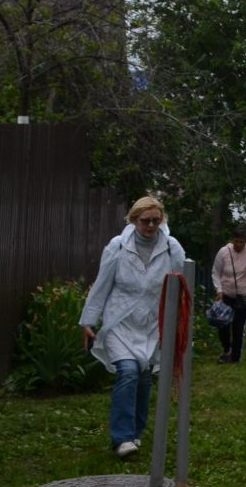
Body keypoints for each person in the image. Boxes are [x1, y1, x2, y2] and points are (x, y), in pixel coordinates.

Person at [79, 195, 189, 458]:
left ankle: (136, 432)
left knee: (143, 375)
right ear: (133, 220)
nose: (151, 226)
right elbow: (102, 283)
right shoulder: (117, 247)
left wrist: (179, 325)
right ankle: (122, 437)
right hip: (121, 321)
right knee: (128, 370)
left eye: (156, 220)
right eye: (145, 221)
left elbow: (182, 287)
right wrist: (88, 321)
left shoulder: (172, 248)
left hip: (151, 323)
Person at [211, 225, 246, 364]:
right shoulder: (224, 252)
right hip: (226, 295)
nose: (238, 245)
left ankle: (235, 357)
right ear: (232, 240)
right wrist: (219, 290)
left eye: (241, 242)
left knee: (238, 328)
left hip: (244, 296)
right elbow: (216, 272)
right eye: (236, 241)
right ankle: (226, 350)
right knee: (223, 325)